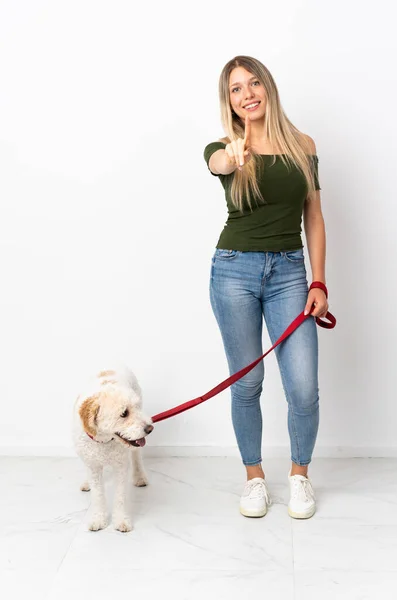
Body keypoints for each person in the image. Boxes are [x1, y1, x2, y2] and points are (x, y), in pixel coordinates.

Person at [203, 55, 329, 519]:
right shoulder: (225, 146)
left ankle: (300, 476)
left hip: (291, 273)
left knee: (302, 386)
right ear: (230, 101)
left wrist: (319, 281)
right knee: (247, 382)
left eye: (253, 83)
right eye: (236, 89)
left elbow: (313, 217)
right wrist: (230, 158)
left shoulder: (302, 145)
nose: (247, 94)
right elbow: (216, 163)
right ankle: (254, 478)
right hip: (233, 270)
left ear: (268, 87)